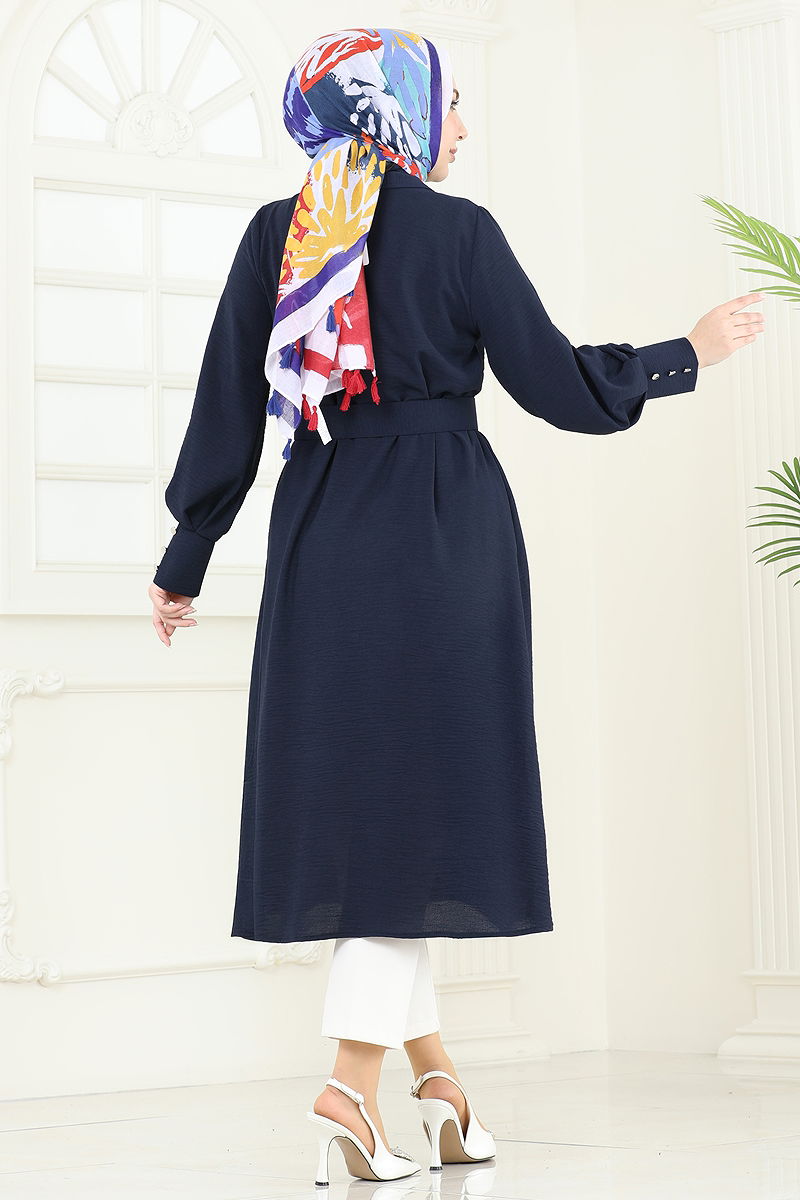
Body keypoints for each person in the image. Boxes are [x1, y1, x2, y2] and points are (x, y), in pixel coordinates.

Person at [146, 27, 766, 1186]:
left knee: (383, 813)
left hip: (321, 532)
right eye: (451, 103)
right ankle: (349, 1085)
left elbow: (226, 399)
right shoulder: (457, 231)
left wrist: (187, 553)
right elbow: (554, 385)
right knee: (415, 815)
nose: (464, 126)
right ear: (392, 110)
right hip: (440, 539)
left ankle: (439, 1085)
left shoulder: (276, 234)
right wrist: (681, 352)